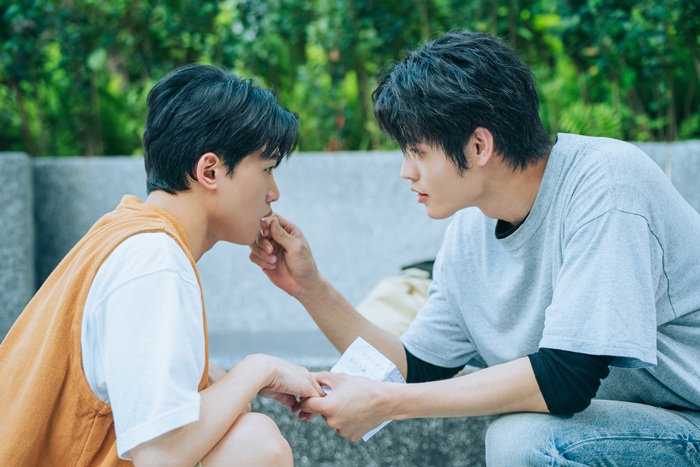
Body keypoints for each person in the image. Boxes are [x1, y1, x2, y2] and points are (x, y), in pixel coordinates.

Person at [250, 31, 700, 465]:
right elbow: (417, 367)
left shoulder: (605, 184)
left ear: (479, 145)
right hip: (626, 425)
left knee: (524, 442)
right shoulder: (470, 230)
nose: (406, 171)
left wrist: (388, 402)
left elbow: (567, 378)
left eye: (417, 151)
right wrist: (309, 288)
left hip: (688, 418)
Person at [0, 63, 325, 466]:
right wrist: (258, 370)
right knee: (255, 443)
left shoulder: (126, 233)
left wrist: (219, 379)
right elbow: (161, 456)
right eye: (267, 169)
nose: (273, 192)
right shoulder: (153, 261)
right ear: (210, 170)